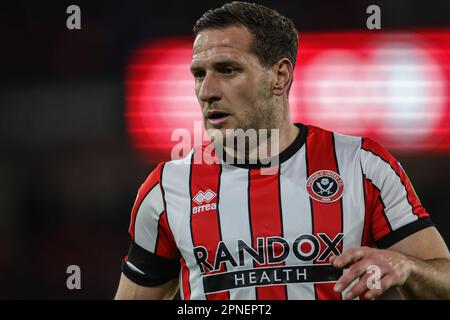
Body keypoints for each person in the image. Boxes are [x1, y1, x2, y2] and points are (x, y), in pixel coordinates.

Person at [115, 2, 450, 300]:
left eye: (227, 70)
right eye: (199, 74)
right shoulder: (166, 188)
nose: (207, 91)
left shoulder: (362, 166)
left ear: (280, 75)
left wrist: (407, 266)